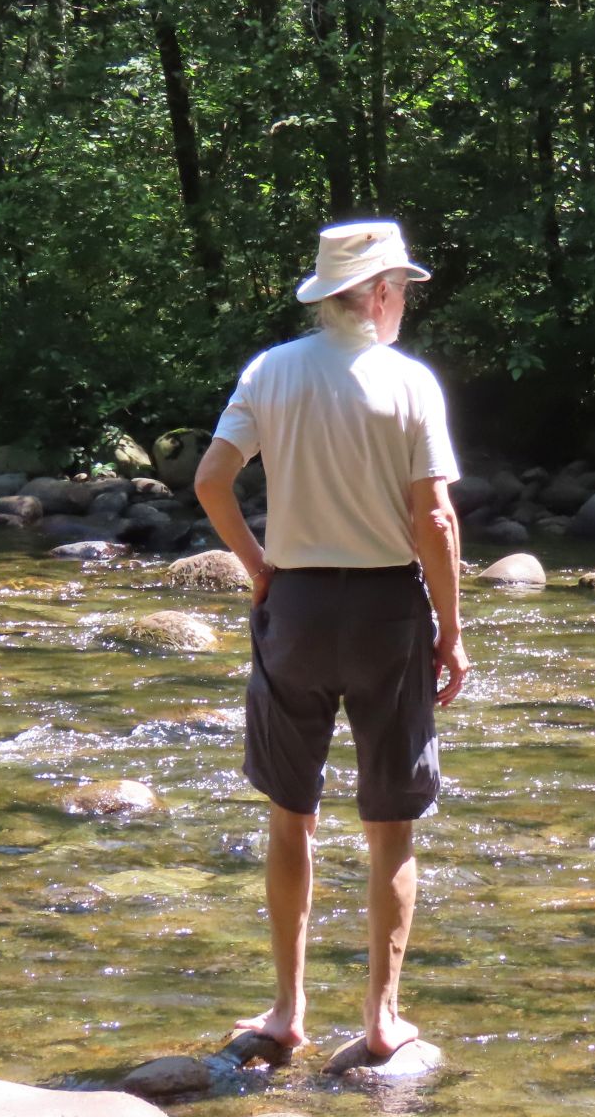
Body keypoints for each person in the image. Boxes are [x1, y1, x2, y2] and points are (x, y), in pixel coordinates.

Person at [192, 218, 470, 1059]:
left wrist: (259, 567)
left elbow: (211, 480)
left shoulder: (270, 371)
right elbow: (435, 519)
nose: (405, 308)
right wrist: (451, 631)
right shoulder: (410, 383)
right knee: (391, 824)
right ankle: (382, 1020)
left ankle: (286, 1012)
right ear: (380, 293)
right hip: (388, 611)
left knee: (291, 815)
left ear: (330, 295)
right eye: (403, 293)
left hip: (300, 609)